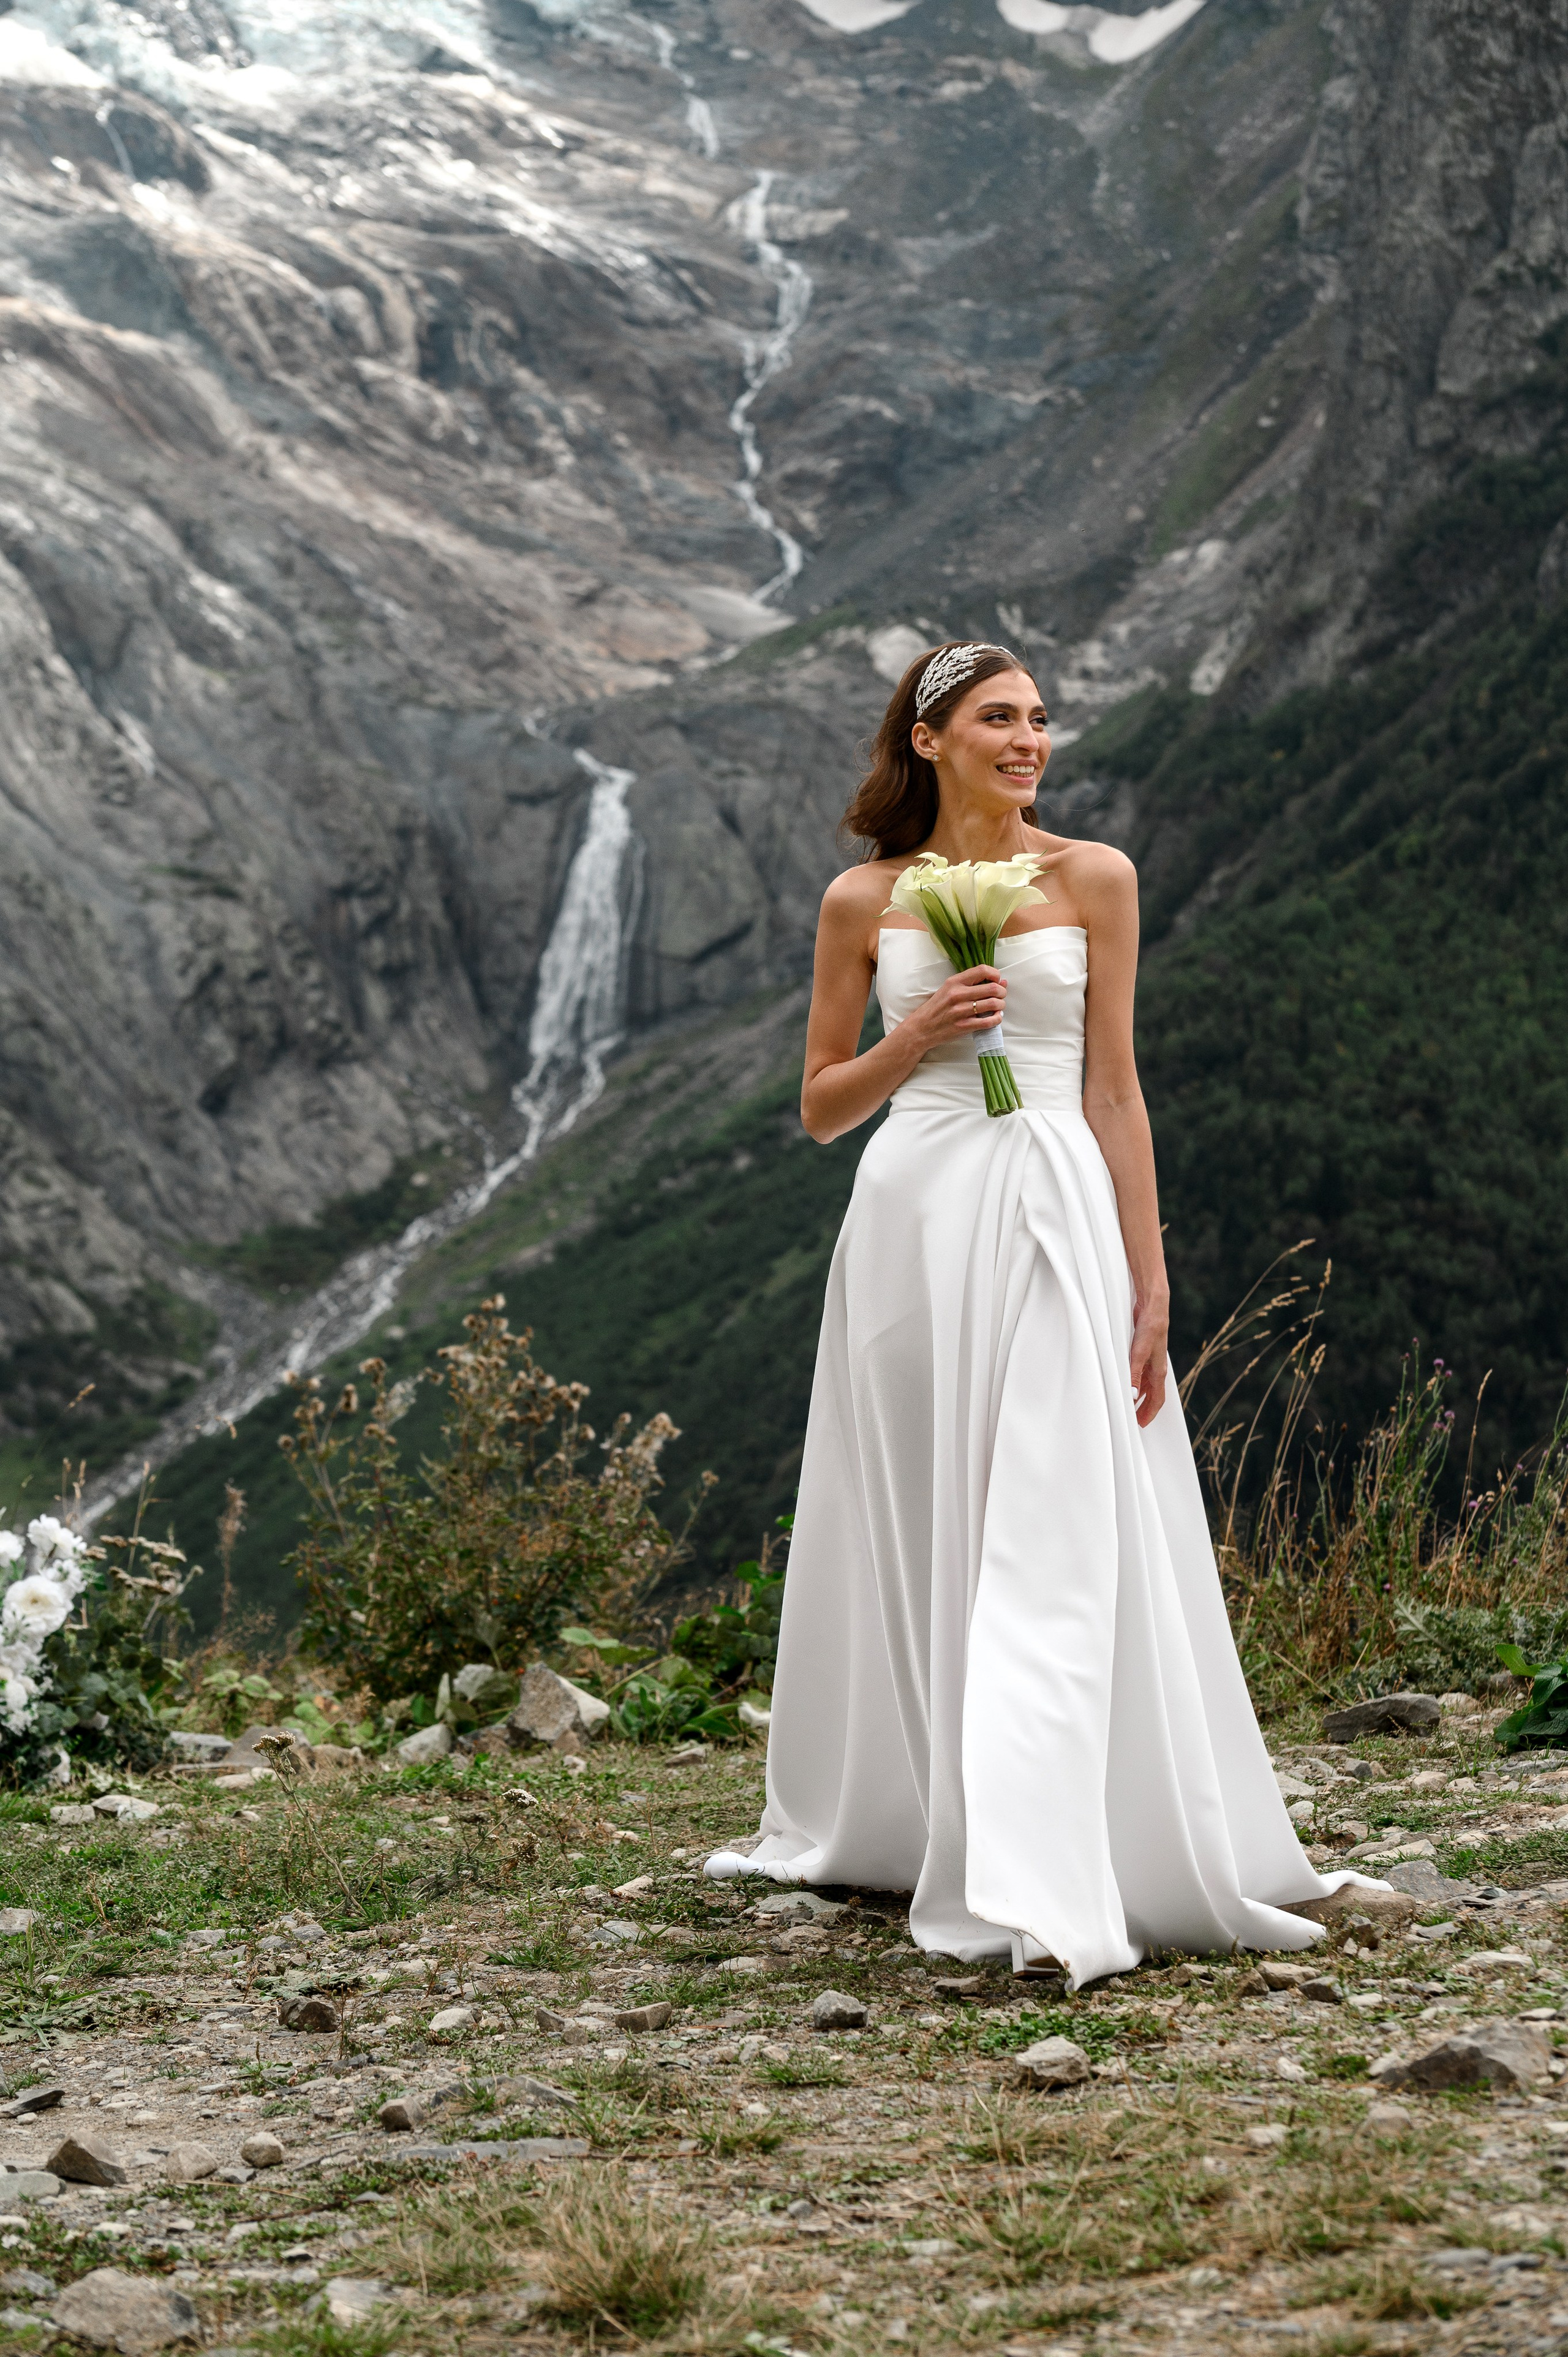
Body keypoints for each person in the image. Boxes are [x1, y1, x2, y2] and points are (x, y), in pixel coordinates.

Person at [704, 640, 1374, 1984]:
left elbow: (1114, 1087)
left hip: (1055, 1208)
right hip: (911, 1217)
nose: (1027, 739)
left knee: (1058, 1513)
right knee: (932, 1502)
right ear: (928, 737)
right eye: (996, 718)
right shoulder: (862, 900)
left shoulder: (1095, 877)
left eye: (1038, 719)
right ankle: (931, 1811)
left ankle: (1057, 1844)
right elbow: (822, 1106)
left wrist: (1151, 1276)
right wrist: (913, 1043)